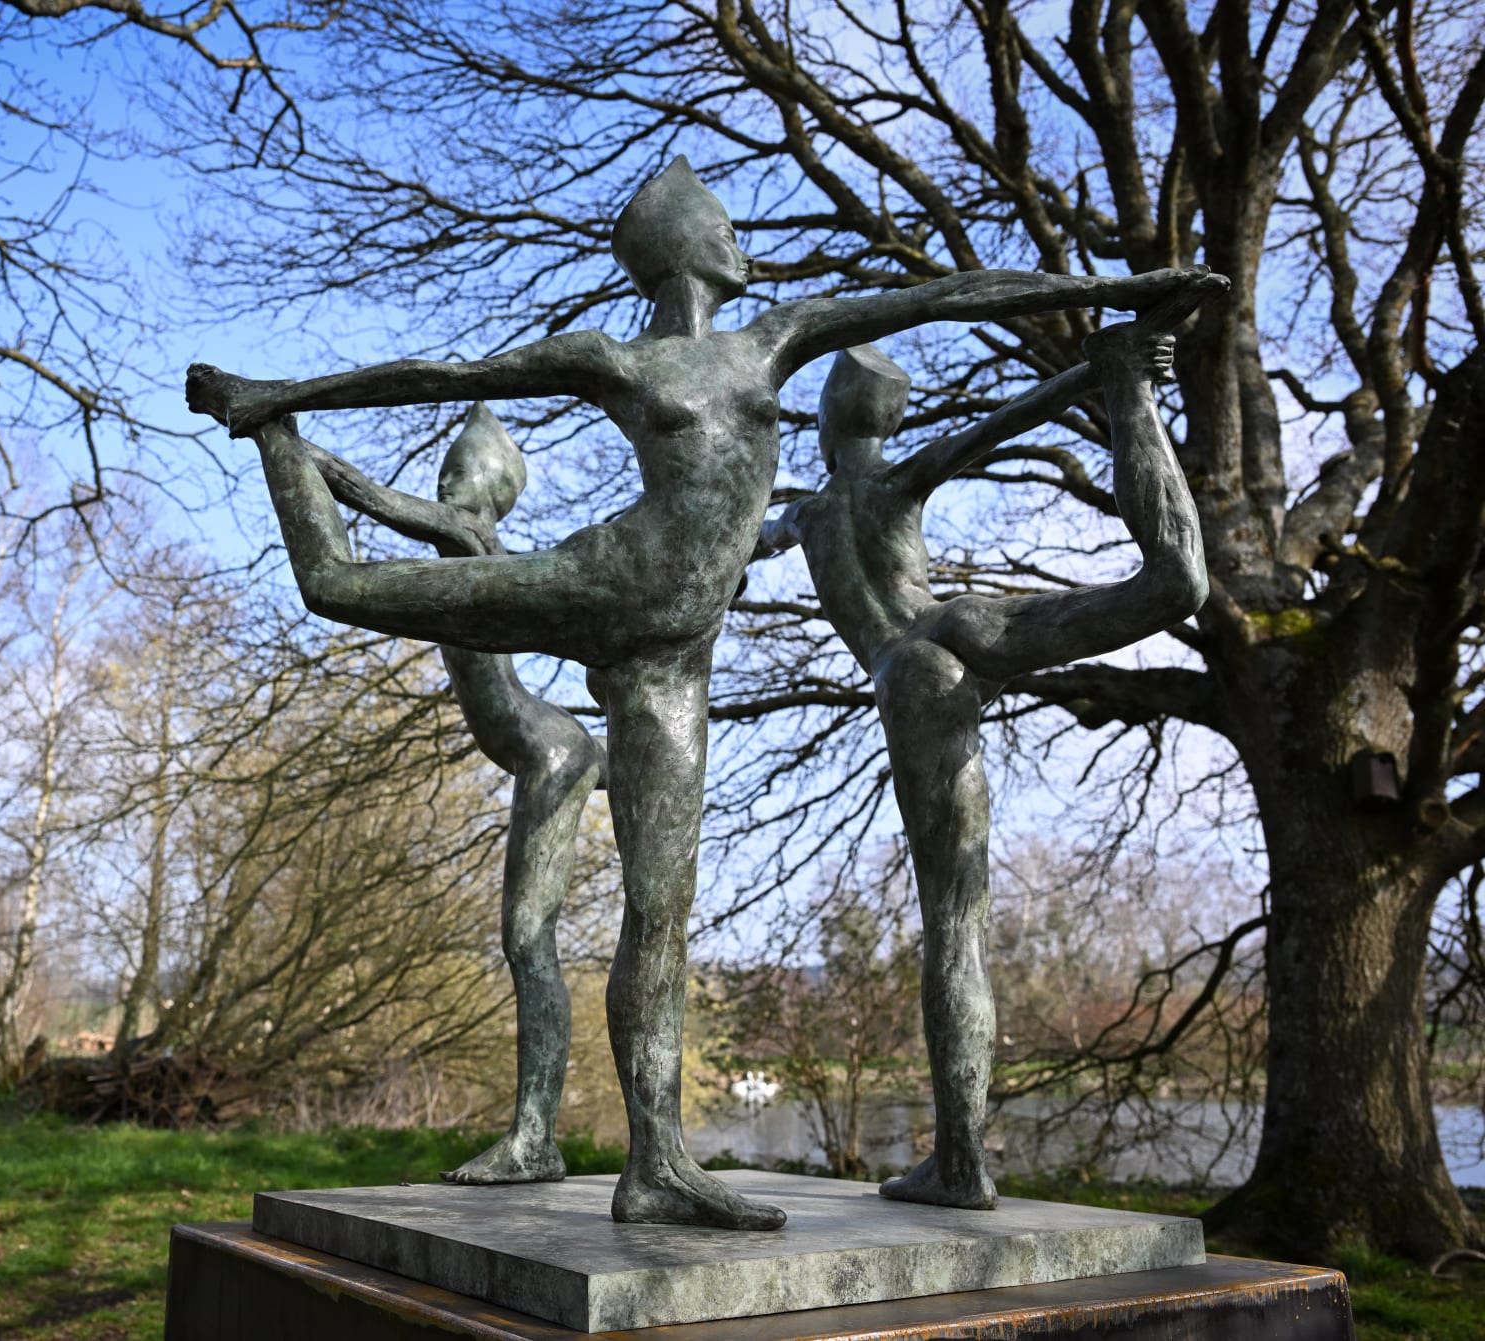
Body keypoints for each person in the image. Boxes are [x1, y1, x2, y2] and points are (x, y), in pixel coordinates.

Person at [189, 156, 1213, 1229]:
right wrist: (278, 401)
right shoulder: (615, 358)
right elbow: (443, 374)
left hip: (675, 657)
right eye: (724, 229)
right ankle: (277, 447)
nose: (741, 246)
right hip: (608, 581)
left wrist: (1123, 291)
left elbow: (946, 294)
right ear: (684, 244)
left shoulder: (775, 338)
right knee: (342, 586)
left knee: (658, 905)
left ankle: (657, 1162)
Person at [753, 284, 1223, 1209]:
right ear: (892, 419)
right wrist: (1104, 376)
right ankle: (1134, 396)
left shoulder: (808, 513)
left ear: (826, 429)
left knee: (954, 923)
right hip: (963, 621)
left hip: (912, 669)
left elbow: (754, 536)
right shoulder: (899, 478)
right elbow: (1002, 423)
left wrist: (738, 550)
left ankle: (961, 1164)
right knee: (1175, 585)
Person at [298, 403, 607, 1185]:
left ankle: (535, 1137)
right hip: (552, 743)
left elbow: (375, 498)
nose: (445, 482)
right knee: (527, 941)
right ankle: (534, 1134)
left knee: (528, 939)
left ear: (492, 491)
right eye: (445, 469)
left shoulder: (468, 533)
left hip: (550, 750)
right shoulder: (474, 545)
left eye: (459, 470)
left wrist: (297, 446)